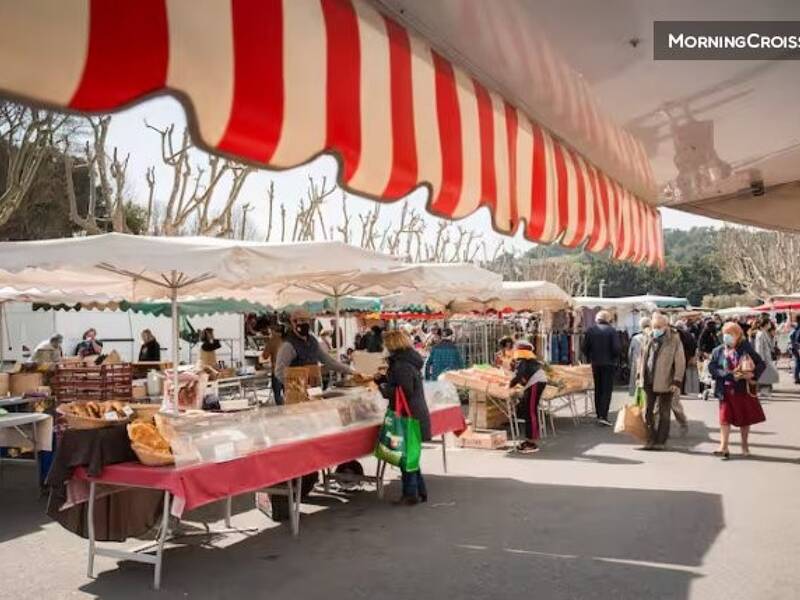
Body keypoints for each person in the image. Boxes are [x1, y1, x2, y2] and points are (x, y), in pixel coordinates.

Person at [375, 329, 430, 506]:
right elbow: (402, 384)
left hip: (407, 415)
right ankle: (419, 491)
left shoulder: (402, 365)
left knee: (405, 456)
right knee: (411, 455)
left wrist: (383, 387)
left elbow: (404, 390)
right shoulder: (407, 361)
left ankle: (410, 495)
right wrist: (383, 379)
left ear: (392, 345)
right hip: (414, 413)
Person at [708, 321, 766, 460]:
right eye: (725, 334)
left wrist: (753, 374)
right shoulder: (718, 350)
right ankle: (723, 446)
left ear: (738, 335)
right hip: (725, 390)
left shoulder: (746, 348)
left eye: (730, 334)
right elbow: (712, 367)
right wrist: (726, 374)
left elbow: (761, 364)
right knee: (724, 419)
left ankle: (744, 445)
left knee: (744, 419)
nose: (726, 337)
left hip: (741, 389)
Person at [636, 313, 686, 450]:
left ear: (666, 326)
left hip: (666, 381)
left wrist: (676, 381)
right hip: (648, 380)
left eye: (659, 326)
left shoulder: (674, 339)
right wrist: (639, 375)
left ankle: (660, 441)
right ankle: (650, 439)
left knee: (664, 413)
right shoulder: (648, 337)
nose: (656, 329)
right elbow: (641, 357)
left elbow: (680, 361)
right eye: (654, 326)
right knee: (647, 412)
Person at [275, 308, 356, 387]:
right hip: (298, 395)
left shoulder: (312, 341)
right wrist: (297, 384)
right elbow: (279, 372)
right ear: (293, 322)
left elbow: (329, 361)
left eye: (306, 320)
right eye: (301, 320)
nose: (305, 323)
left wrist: (351, 371)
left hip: (315, 390)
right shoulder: (288, 345)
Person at [581, 310, 620, 426]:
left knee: (598, 389)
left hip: (595, 363)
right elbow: (616, 348)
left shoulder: (590, 331)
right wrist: (614, 358)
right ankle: (603, 415)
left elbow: (584, 347)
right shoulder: (612, 331)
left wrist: (590, 356)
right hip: (609, 364)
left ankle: (599, 414)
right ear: (608, 319)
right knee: (606, 390)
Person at [508, 341, 548, 453]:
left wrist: (509, 385)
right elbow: (519, 373)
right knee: (529, 410)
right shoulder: (527, 359)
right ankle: (530, 440)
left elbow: (518, 374)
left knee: (530, 411)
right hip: (536, 382)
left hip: (535, 382)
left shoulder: (522, 358)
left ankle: (531, 442)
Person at [753, 315, 779, 397]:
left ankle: (766, 391)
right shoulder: (760, 334)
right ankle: (763, 391)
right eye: (768, 323)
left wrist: (773, 338)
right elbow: (759, 348)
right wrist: (761, 359)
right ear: (765, 324)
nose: (770, 325)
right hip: (763, 357)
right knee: (765, 375)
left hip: (767, 356)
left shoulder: (765, 333)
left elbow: (770, 345)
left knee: (768, 374)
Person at [262, 323, 285, 405]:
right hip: (288, 369)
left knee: (277, 394)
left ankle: (281, 411)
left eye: (270, 331)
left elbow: (264, 356)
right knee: (287, 393)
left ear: (273, 331)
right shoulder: (286, 340)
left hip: (276, 370)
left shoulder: (272, 341)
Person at [627, 317, 651, 396]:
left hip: (637, 363)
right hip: (649, 363)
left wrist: (630, 363)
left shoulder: (635, 338)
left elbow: (630, 353)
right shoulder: (652, 336)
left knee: (637, 385)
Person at [790, 315, 800, 384]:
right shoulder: (798, 328)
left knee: (797, 362)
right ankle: (796, 378)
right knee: (798, 362)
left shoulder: (795, 327)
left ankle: (796, 377)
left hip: (795, 347)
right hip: (798, 347)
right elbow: (798, 339)